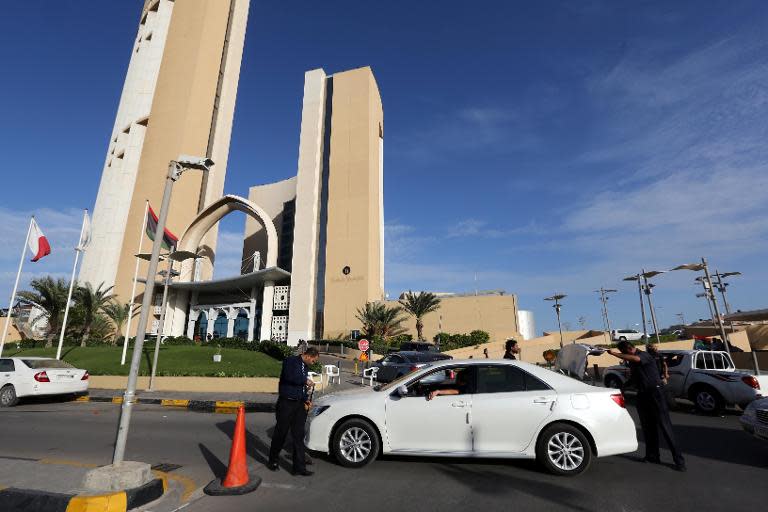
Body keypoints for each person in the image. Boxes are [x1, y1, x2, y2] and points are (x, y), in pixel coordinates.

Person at [607, 341, 686, 471]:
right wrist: (623, 388)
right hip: (643, 395)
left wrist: (614, 354)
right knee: (648, 427)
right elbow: (634, 377)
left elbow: (636, 359)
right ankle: (652, 456)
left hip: (656, 393)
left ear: (629, 349)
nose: (624, 356)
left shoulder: (644, 355)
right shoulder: (632, 361)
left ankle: (679, 461)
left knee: (665, 427)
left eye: (624, 353)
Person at [267, 347, 319, 476]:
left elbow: (300, 386)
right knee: (281, 433)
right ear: (308, 356)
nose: (313, 363)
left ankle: (299, 467)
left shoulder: (304, 367)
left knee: (298, 435)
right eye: (313, 361)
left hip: (299, 404)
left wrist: (306, 399)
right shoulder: (291, 361)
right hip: (287, 403)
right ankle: (273, 460)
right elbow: (290, 377)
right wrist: (305, 381)